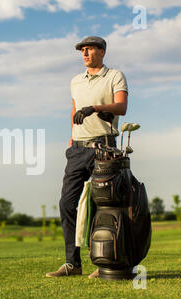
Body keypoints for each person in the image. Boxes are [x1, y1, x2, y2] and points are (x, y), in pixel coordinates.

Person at [46, 36, 128, 278]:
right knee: (66, 203)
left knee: (103, 206)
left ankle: (105, 263)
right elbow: (74, 110)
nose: (84, 53)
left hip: (104, 148)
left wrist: (95, 108)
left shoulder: (114, 75)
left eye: (89, 49)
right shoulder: (75, 81)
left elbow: (121, 107)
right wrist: (72, 140)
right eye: (82, 50)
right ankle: (73, 264)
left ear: (101, 51)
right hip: (78, 150)